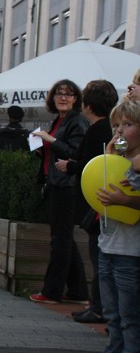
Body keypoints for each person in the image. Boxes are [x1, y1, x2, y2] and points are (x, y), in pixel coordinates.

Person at [76, 99, 140, 353]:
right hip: (109, 243)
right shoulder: (115, 158)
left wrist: (126, 201)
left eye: (127, 125)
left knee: (129, 315)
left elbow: (130, 199)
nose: (120, 132)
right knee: (113, 313)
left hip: (131, 250)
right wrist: (111, 154)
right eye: (116, 126)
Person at [55, 80, 118, 324]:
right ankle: (98, 305)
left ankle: (99, 307)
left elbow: (93, 166)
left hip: (97, 203)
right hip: (98, 202)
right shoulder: (105, 128)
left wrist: (69, 165)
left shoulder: (98, 130)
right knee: (99, 256)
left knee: (99, 257)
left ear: (88, 103)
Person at [29, 79, 90, 304]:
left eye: (69, 94)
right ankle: (79, 292)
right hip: (55, 183)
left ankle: (51, 292)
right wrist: (40, 148)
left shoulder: (77, 121)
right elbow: (54, 151)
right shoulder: (59, 120)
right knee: (65, 239)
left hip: (67, 185)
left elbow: (75, 152)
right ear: (53, 98)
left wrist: (50, 139)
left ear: (76, 99)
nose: (63, 97)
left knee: (60, 240)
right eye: (59, 94)